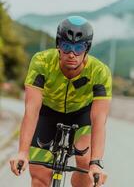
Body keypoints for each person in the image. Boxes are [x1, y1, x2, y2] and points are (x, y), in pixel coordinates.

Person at [10, 16, 112, 187]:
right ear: (58, 44)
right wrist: (22, 151)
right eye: (66, 47)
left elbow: (99, 120)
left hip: (81, 115)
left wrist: (96, 163)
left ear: (87, 48)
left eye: (78, 48)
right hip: (48, 112)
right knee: (39, 178)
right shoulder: (41, 61)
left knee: (85, 161)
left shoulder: (100, 71)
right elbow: (32, 109)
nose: (72, 54)